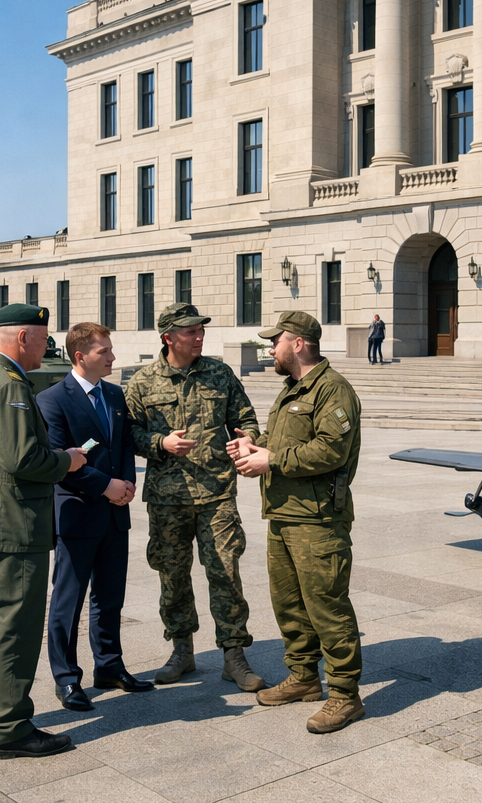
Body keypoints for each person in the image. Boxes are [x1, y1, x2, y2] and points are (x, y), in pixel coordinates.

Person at [0, 303, 88, 760]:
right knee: (14, 624)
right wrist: (67, 461)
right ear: (24, 338)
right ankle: (10, 727)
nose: (46, 349)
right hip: (12, 523)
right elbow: (23, 460)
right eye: (44, 340)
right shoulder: (9, 385)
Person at [227, 312, 364, 734]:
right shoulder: (293, 389)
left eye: (276, 342)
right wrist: (257, 444)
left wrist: (272, 460)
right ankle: (304, 678)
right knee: (289, 604)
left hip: (318, 520)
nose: (271, 349)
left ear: (298, 344)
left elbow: (329, 451)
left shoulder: (333, 390)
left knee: (327, 606)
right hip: (285, 515)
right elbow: (288, 442)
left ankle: (344, 694)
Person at [124, 302, 267, 693]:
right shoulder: (142, 382)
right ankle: (182, 650)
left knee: (225, 571)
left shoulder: (220, 374)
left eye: (201, 330)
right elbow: (128, 435)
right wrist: (159, 442)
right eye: (190, 331)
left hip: (217, 492)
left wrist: (248, 438)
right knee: (172, 575)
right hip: (167, 498)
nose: (199, 336)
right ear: (169, 337)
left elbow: (246, 417)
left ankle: (234, 656)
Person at [37, 322, 152, 713]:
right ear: (80, 356)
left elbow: (122, 445)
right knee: (69, 599)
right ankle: (67, 678)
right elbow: (59, 458)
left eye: (110, 349)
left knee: (110, 597)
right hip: (78, 513)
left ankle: (109, 666)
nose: (113, 357)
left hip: (114, 513)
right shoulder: (52, 400)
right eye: (104, 351)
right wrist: (106, 486)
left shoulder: (115, 395)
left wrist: (126, 484)